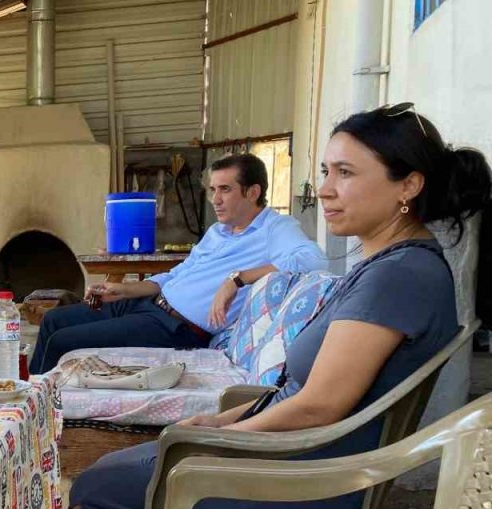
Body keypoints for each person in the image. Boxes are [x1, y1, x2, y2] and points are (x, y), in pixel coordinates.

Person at [59, 104, 491, 509]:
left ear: (408, 187)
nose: (325, 189)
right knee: (125, 466)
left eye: (346, 173)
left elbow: (319, 406)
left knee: (94, 488)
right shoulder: (392, 265)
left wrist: (219, 442)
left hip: (307, 489)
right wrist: (221, 425)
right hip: (297, 460)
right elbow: (301, 392)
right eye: (327, 171)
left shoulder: (398, 277)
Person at [29, 153, 328, 374]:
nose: (215, 199)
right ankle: (26, 396)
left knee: (63, 341)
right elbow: (176, 274)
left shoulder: (274, 229)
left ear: (252, 192)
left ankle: (40, 415)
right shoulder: (217, 232)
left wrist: (236, 279)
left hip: (175, 328)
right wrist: (123, 290)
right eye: (213, 190)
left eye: (225, 189)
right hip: (150, 304)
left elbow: (313, 260)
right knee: (55, 320)